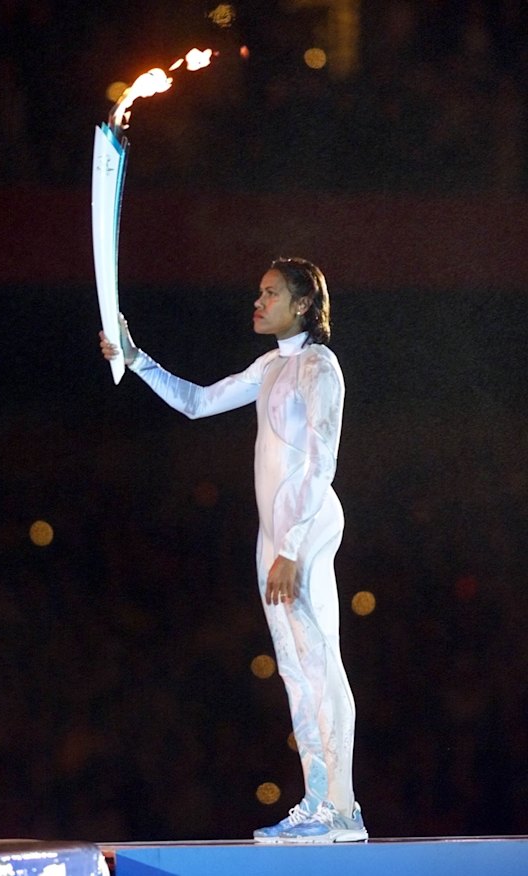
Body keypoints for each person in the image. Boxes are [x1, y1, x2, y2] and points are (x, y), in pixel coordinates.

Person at [99, 257, 367, 844]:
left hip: (306, 529)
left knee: (321, 665)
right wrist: (135, 357)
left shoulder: (320, 366)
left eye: (270, 293)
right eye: (259, 291)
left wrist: (292, 548)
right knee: (296, 672)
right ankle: (319, 803)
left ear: (301, 304)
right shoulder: (270, 365)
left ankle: (343, 811)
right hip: (272, 536)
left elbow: (322, 461)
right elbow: (197, 402)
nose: (258, 300)